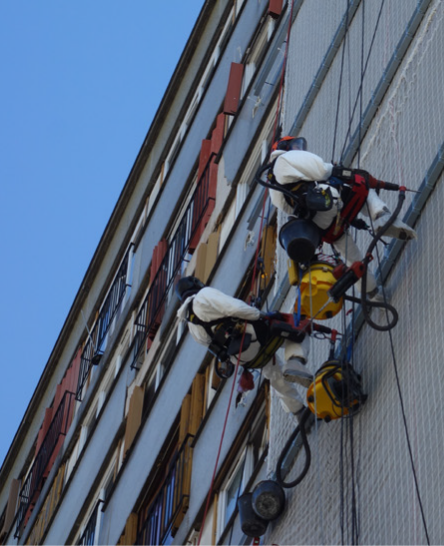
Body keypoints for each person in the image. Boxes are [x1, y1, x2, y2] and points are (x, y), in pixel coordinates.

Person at [267, 136, 416, 295]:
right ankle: (381, 218)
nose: (299, 149)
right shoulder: (285, 159)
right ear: (284, 147)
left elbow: (289, 206)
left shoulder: (273, 186)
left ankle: (373, 294)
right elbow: (321, 170)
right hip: (328, 200)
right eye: (295, 145)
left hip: (322, 226)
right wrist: (341, 172)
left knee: (351, 256)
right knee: (361, 183)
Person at [175, 276, 311, 415]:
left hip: (242, 356)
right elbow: (234, 308)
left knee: (274, 373)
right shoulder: (203, 296)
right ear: (196, 284)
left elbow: (212, 344)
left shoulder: (192, 327)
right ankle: (295, 362)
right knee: (299, 330)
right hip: (252, 335)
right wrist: (261, 315)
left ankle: (298, 412)